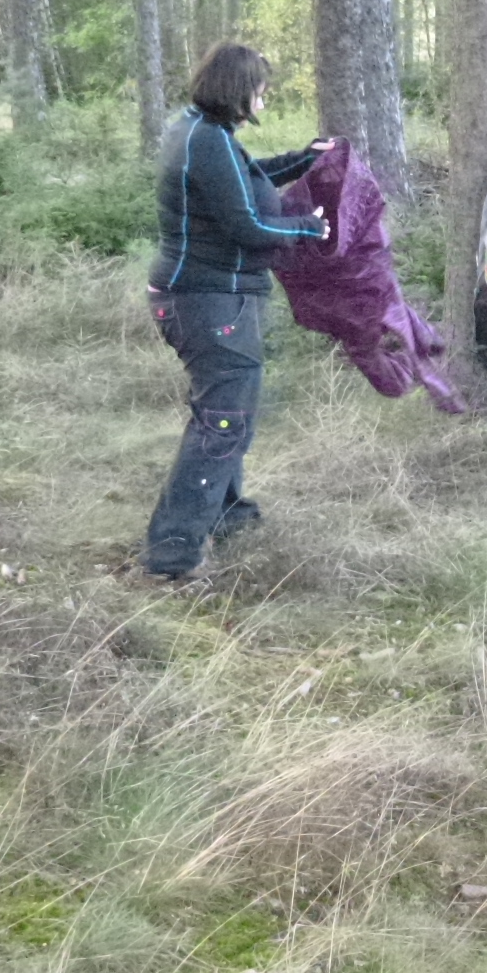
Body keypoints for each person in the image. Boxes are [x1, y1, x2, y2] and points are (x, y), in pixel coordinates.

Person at [141, 43, 333, 584]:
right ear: (236, 90)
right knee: (222, 421)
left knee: (228, 411)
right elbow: (247, 226)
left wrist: (305, 158)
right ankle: (172, 553)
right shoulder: (205, 140)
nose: (262, 103)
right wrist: (309, 228)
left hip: (207, 296)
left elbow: (246, 184)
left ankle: (229, 516)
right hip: (207, 300)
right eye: (259, 93)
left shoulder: (203, 132)